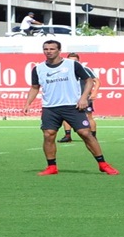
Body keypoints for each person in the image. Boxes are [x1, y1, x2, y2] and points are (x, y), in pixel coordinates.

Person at [22, 41, 118, 176]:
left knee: (85, 133)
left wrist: (84, 98)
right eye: (46, 49)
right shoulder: (38, 69)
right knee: (48, 135)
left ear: (59, 50)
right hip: (50, 108)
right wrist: (27, 103)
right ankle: (51, 167)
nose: (48, 51)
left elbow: (89, 80)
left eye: (52, 49)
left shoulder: (72, 64)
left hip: (72, 106)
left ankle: (103, 164)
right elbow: (34, 87)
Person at [58, 52, 98, 143]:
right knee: (66, 116)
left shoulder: (85, 69)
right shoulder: (64, 70)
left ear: (78, 61)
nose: (73, 62)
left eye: (75, 60)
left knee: (88, 116)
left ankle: (93, 136)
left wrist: (94, 92)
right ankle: (67, 135)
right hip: (70, 97)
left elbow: (97, 81)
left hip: (84, 96)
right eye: (71, 60)